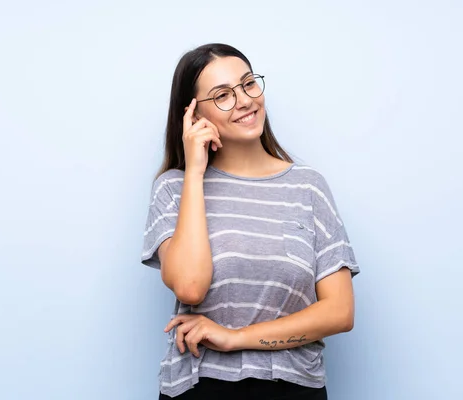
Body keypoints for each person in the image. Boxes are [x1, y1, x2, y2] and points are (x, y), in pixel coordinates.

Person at [141, 43, 360, 400]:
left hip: (294, 387)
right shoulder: (173, 189)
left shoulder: (308, 188)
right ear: (193, 116)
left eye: (248, 84)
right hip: (201, 386)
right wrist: (195, 172)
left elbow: (340, 311)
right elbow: (190, 287)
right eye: (223, 95)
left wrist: (236, 338)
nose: (244, 100)